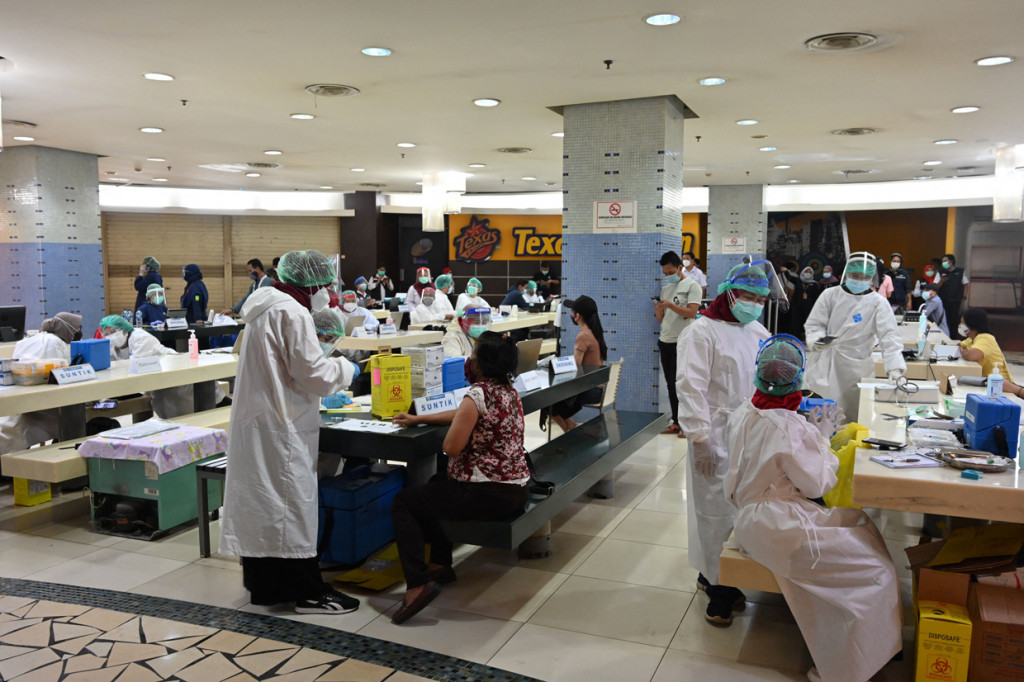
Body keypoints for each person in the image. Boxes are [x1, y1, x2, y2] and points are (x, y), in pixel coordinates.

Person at [724, 334, 901, 682]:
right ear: (799, 379)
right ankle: (845, 667)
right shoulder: (790, 428)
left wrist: (810, 434)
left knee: (857, 524)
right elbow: (817, 486)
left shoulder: (742, 411)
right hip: (777, 528)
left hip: (751, 518)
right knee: (876, 569)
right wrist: (820, 437)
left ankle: (852, 648)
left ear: (758, 373)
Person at [219, 249, 361, 614]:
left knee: (264, 506)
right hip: (281, 424)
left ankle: (267, 588)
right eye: (325, 285)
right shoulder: (292, 312)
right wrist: (347, 369)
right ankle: (307, 591)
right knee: (290, 505)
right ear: (310, 283)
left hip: (260, 422)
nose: (328, 293)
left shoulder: (265, 305)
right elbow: (313, 373)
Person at [389, 332, 530, 624]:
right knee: (437, 484)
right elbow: (463, 413)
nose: (470, 361)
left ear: (481, 363)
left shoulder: (477, 394)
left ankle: (417, 584)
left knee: (404, 502)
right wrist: (419, 418)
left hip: (484, 494)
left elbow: (451, 447)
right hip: (515, 490)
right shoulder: (509, 392)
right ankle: (439, 564)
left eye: (473, 356)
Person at [675, 261, 774, 625]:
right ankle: (719, 590)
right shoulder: (701, 332)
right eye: (747, 296)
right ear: (729, 293)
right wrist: (699, 436)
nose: (753, 304)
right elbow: (691, 387)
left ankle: (715, 574)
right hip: (714, 433)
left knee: (741, 507)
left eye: (759, 299)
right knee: (715, 509)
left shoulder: (757, 331)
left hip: (749, 432)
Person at [804, 252, 905, 422]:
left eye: (864, 277)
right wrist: (817, 341)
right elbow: (815, 324)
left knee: (854, 415)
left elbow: (889, 336)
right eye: (854, 276)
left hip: (857, 368)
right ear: (846, 273)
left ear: (872, 278)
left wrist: (894, 368)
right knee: (822, 416)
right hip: (826, 363)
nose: (859, 280)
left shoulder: (878, 303)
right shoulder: (830, 295)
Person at [0, 313, 81, 455]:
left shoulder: (29, 340)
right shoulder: (55, 342)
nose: (78, 331)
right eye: (77, 328)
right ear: (67, 328)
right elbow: (59, 374)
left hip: (20, 394)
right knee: (73, 419)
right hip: (42, 403)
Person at [98, 315, 196, 417]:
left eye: (113, 331)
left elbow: (135, 368)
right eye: (106, 333)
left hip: (172, 370)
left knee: (180, 412)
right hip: (153, 378)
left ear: (124, 329)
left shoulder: (140, 338)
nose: (110, 336)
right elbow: (112, 368)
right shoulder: (112, 344)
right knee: (163, 409)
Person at [656, 251, 701, 436]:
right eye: (665, 273)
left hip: (682, 341)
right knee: (670, 384)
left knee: (683, 384)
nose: (668, 276)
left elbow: (692, 313)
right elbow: (663, 319)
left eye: (671, 272)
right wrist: (659, 308)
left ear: (680, 268)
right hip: (665, 341)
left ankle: (686, 424)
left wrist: (670, 305)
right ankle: (676, 421)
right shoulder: (666, 289)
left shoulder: (692, 286)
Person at [549, 295, 606, 432]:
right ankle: (571, 428)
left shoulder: (583, 336)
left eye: (572, 312)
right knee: (553, 403)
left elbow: (575, 367)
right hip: (596, 389)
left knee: (548, 404)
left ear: (577, 316)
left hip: (589, 391)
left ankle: (570, 434)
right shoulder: (596, 333)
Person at [958, 308, 1022, 396]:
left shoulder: (985, 338)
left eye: (962, 322)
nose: (960, 325)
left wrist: (964, 353)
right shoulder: (972, 339)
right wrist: (964, 351)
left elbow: (972, 355)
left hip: (1001, 386)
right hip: (988, 383)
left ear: (972, 324)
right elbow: (959, 346)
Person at [938, 253, 969, 338]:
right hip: (943, 300)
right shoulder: (940, 272)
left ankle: (953, 337)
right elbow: (936, 286)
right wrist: (942, 281)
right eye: (942, 261)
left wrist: (964, 296)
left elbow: (966, 285)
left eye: (945, 261)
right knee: (944, 319)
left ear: (951, 261)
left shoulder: (960, 271)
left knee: (954, 320)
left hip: (956, 300)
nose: (943, 263)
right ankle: (944, 336)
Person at [788, 266, 821, 341]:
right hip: (797, 306)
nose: (808, 273)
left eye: (810, 272)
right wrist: (787, 270)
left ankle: (808, 338)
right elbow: (789, 277)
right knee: (796, 322)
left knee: (808, 322)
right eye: (806, 272)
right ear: (803, 272)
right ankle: (796, 338)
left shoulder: (814, 284)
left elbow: (816, 297)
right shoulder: (798, 281)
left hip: (809, 307)